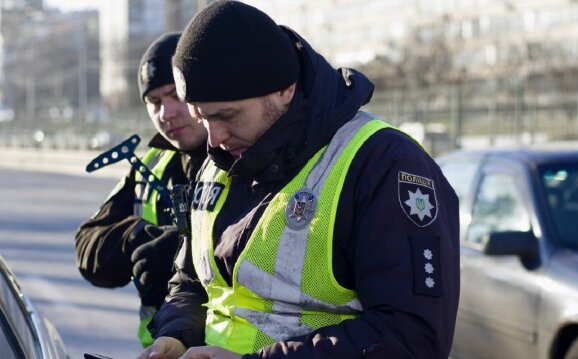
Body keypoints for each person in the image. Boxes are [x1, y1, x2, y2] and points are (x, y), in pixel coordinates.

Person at [140, 1, 460, 358]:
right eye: (202, 119)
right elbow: (192, 281)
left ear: (285, 90)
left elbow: (411, 337)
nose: (213, 138)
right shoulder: (221, 160)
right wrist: (176, 334)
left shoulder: (384, 163)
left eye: (226, 115)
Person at [75, 32, 208, 348]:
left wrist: (185, 251)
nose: (166, 113)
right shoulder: (151, 164)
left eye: (175, 95)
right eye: (154, 102)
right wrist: (135, 239)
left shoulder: (245, 156)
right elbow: (86, 247)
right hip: (160, 349)